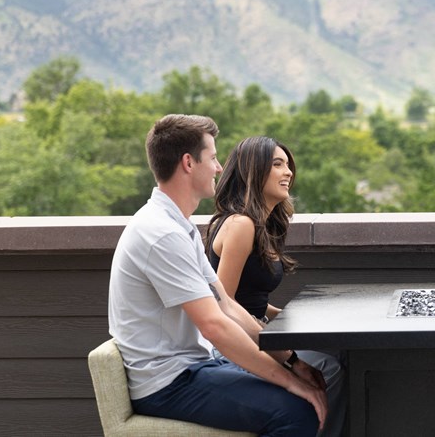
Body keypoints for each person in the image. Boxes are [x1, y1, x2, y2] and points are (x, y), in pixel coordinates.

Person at [108, 115, 326, 436]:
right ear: (188, 163)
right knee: (296, 413)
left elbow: (227, 305)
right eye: (212, 158)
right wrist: (291, 382)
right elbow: (214, 325)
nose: (219, 167)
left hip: (195, 365)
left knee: (308, 384)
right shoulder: (161, 233)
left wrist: (293, 362)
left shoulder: (180, 226)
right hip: (168, 382)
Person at [205, 136, 347, 437]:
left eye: (288, 165)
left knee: (338, 350)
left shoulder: (263, 225)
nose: (288, 172)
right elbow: (224, 303)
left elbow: (251, 299)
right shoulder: (241, 225)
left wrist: (289, 317)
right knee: (329, 367)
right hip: (235, 346)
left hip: (258, 332)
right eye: (278, 164)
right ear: (253, 171)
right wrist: (279, 344)